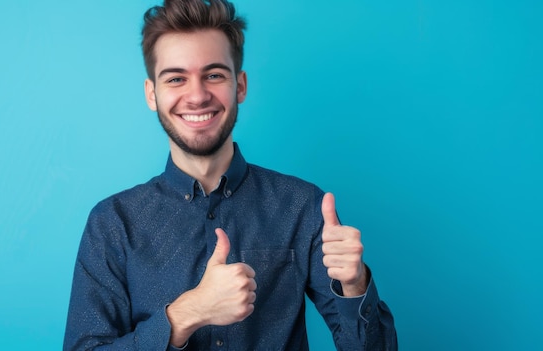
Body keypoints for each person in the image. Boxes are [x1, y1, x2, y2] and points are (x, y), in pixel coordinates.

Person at [64, 0, 397, 349]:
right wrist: (186, 314)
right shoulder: (112, 224)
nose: (196, 95)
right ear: (152, 94)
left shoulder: (302, 206)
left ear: (240, 86)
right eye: (176, 78)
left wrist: (355, 285)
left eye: (213, 75)